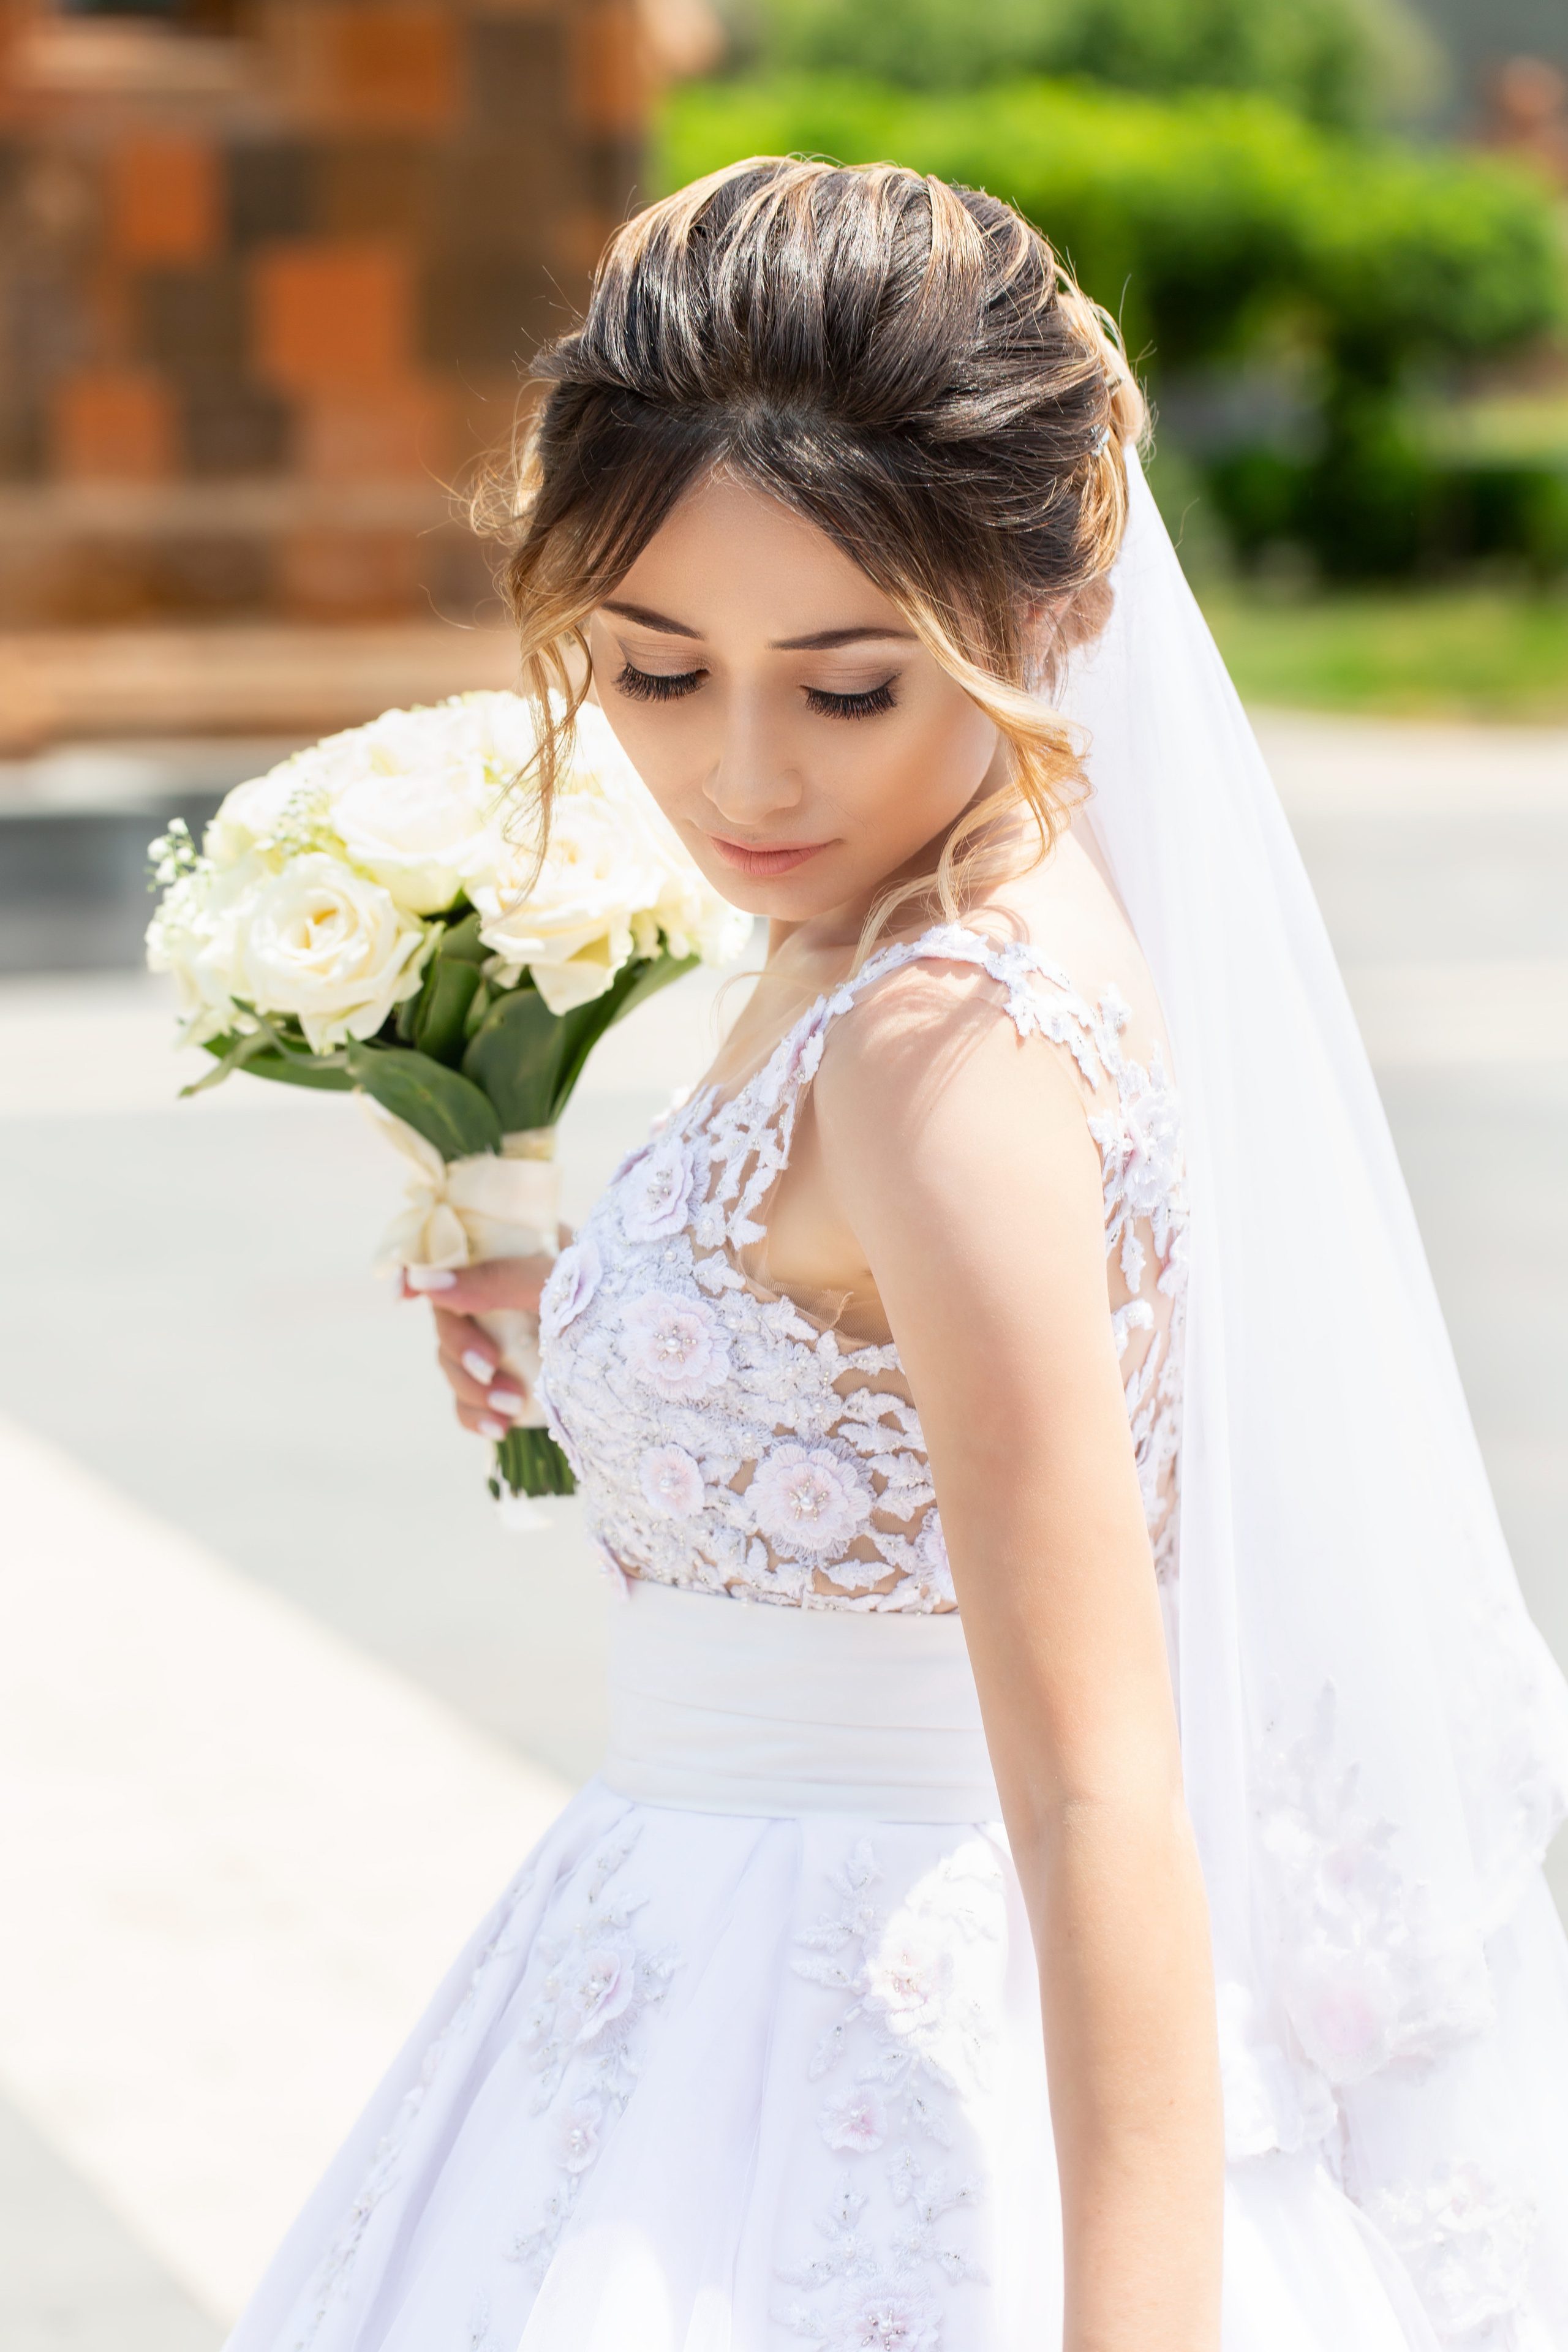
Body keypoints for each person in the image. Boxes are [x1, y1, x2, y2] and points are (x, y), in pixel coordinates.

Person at [225, 160, 1568, 2352]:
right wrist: (603, 1320)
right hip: (692, 1944)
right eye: (656, 669)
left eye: (847, 690)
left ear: (1047, 608)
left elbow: (1101, 1779)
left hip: (848, 2027)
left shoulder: (946, 1031)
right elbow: (871, 1363)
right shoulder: (886, 920)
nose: (739, 772)